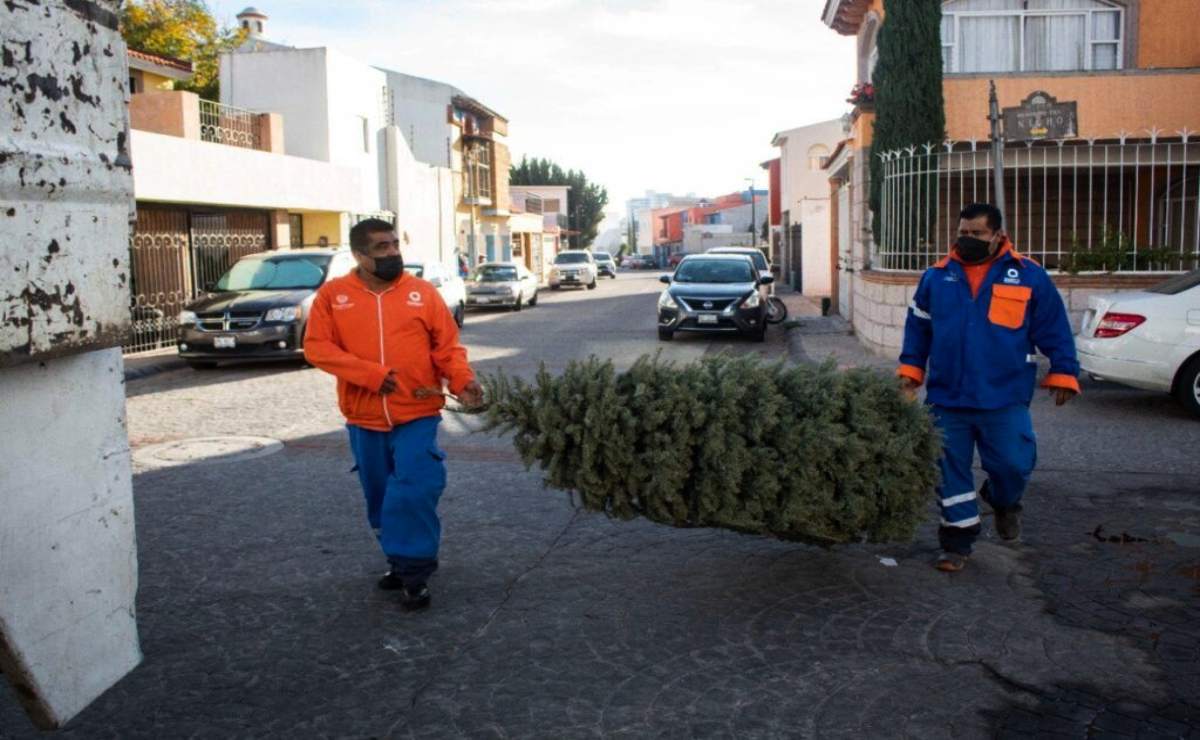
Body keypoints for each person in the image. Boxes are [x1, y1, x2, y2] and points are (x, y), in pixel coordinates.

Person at [304, 218, 483, 609]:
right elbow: (316, 347)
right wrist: (370, 375)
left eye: (394, 245)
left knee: (415, 487)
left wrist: (462, 381)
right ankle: (399, 560)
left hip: (417, 411)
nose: (391, 253)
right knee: (380, 495)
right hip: (363, 416)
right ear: (359, 255)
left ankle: (416, 571)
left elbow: (447, 348)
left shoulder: (422, 293)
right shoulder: (333, 296)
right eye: (381, 248)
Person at [897, 203, 1080, 572]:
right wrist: (910, 373)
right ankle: (957, 544)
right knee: (949, 472)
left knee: (1013, 464)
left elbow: (1053, 327)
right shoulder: (937, 276)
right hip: (948, 397)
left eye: (976, 233)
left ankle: (1003, 501)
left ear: (997, 234)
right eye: (963, 232)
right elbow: (918, 328)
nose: (967, 239)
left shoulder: (1028, 275)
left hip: (1004, 396)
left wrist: (1064, 371)